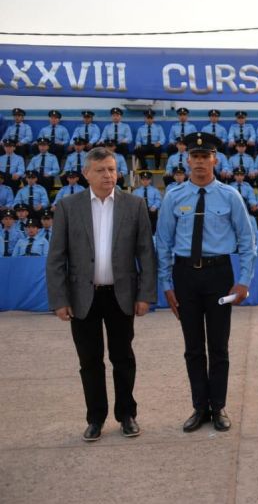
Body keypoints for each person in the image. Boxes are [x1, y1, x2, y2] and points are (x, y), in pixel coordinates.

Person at [45, 146, 157, 442]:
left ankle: (127, 415)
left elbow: (146, 253)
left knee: (123, 358)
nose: (108, 175)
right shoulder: (69, 207)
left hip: (121, 295)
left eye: (112, 169)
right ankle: (95, 418)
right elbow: (57, 257)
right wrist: (59, 299)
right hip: (84, 297)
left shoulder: (134, 205)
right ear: (86, 174)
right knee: (90, 361)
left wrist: (145, 294)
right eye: (101, 170)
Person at [156, 132, 256, 433]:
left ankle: (219, 407)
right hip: (185, 276)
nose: (200, 162)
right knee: (193, 347)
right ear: (187, 160)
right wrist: (167, 284)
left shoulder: (230, 196)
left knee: (219, 346)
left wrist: (243, 282)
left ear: (215, 159)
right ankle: (199, 407)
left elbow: (246, 240)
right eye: (195, 157)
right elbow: (163, 243)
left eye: (205, 156)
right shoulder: (174, 196)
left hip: (218, 276)